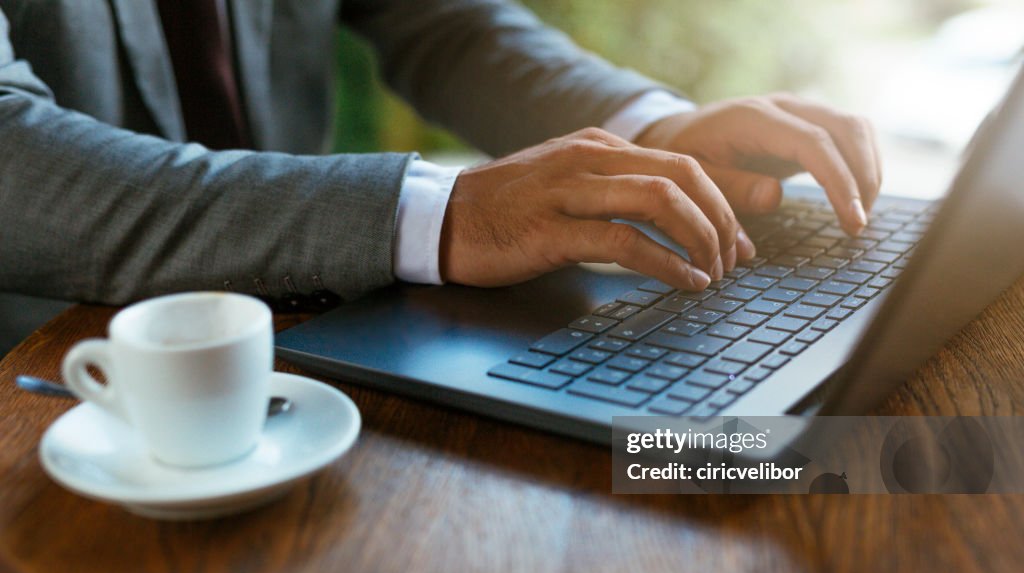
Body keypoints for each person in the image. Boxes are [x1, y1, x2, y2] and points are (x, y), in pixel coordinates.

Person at [0, 0, 880, 313]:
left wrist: (646, 127)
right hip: (51, 380)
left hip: (305, 327)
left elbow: (440, 18)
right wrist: (438, 213)